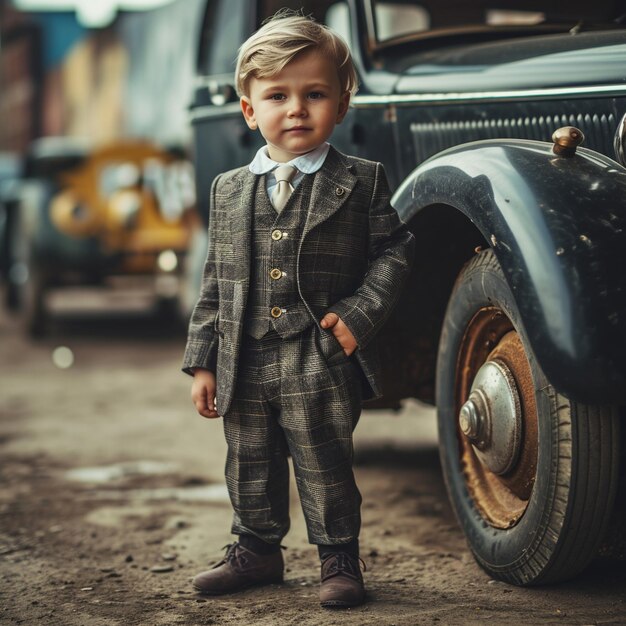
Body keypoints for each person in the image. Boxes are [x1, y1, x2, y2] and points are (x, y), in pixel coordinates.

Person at [182, 11, 415, 609]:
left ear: (341, 104)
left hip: (318, 353)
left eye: (315, 94)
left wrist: (358, 319)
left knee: (324, 459)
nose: (297, 109)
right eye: (277, 96)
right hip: (244, 353)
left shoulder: (360, 180)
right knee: (250, 456)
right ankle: (256, 550)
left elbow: (394, 251)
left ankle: (339, 557)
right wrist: (203, 361)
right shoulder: (229, 189)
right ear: (248, 109)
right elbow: (217, 279)